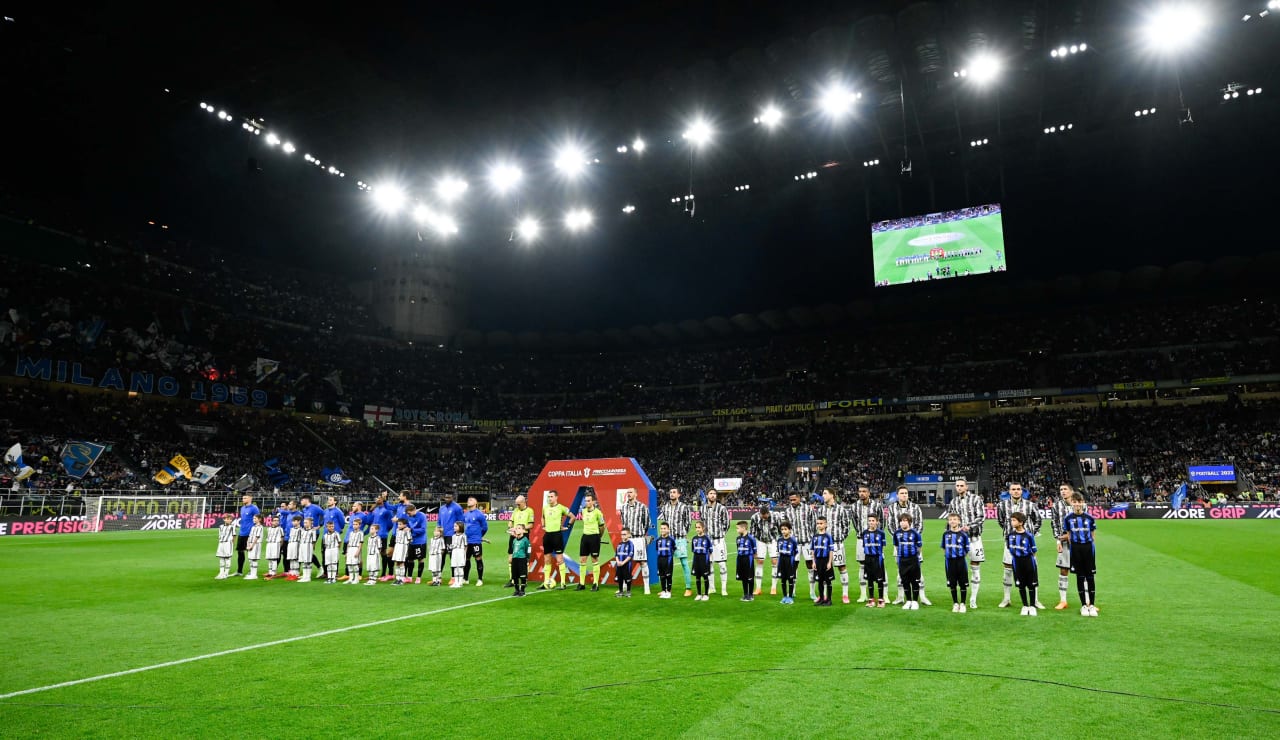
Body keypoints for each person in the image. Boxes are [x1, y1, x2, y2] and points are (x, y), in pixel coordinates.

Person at [997, 483, 1043, 609]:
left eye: (1018, 489)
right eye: (1013, 489)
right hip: (1010, 542)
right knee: (1008, 568)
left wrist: (1030, 533)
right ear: (1009, 491)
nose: (1016, 491)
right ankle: (1006, 598)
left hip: (1027, 544)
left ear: (1022, 491)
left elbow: (1038, 520)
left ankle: (1035, 600)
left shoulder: (1030, 505)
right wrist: (1010, 533)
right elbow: (1001, 521)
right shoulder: (1002, 505)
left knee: (1032, 570)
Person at [886, 487, 930, 606]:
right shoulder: (891, 508)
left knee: (918, 571)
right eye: (902, 493)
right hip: (899, 545)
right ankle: (901, 596)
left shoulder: (915, 507)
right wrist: (899, 537)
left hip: (913, 545)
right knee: (900, 571)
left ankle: (922, 596)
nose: (904, 495)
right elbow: (889, 525)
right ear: (897, 495)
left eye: (906, 493)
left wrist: (913, 538)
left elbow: (920, 524)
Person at [945, 479, 985, 609]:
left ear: (966, 487)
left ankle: (973, 598)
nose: (960, 487)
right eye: (957, 486)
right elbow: (949, 519)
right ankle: (959, 600)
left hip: (974, 537)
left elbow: (981, 516)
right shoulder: (953, 501)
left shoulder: (976, 499)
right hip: (957, 540)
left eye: (962, 485)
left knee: (975, 566)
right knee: (958, 567)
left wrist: (968, 526)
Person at [1063, 495, 1099, 617]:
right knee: (1080, 576)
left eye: (1079, 502)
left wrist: (1089, 546)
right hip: (1076, 548)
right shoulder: (1068, 518)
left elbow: (1093, 535)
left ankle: (1092, 605)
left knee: (1090, 576)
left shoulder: (1089, 518)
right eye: (1074, 502)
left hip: (1088, 548)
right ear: (1071, 503)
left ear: (1083, 502)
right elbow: (1068, 535)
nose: (1077, 504)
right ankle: (1083, 605)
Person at [819, 488, 854, 604]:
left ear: (832, 495)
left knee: (841, 567)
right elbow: (818, 526)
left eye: (825, 493)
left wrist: (840, 538)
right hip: (824, 545)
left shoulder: (841, 509)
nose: (823, 495)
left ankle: (845, 595)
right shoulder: (821, 509)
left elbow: (846, 526)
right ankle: (823, 595)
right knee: (824, 569)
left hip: (837, 543)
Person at [782, 493, 817, 602]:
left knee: (810, 566)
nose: (792, 502)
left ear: (799, 498)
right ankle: (792, 591)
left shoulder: (808, 509)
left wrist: (812, 538)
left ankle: (812, 592)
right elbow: (785, 527)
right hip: (794, 543)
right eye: (790, 500)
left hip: (807, 542)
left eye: (794, 499)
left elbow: (814, 523)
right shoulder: (787, 511)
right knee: (793, 566)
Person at [851, 485, 883, 603]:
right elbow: (854, 522)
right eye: (860, 491)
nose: (861, 493)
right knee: (862, 565)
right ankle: (863, 594)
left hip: (875, 540)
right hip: (861, 539)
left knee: (879, 565)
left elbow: (882, 522)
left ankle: (882, 594)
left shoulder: (877, 505)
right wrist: (861, 534)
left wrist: (878, 535)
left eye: (864, 491)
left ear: (869, 493)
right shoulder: (854, 507)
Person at [660, 488, 693, 597]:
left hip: (679, 539)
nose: (672, 494)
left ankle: (688, 588)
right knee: (666, 564)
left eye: (674, 492)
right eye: (670, 492)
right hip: (668, 539)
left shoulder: (684, 507)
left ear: (679, 494)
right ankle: (666, 589)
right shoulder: (665, 507)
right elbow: (664, 521)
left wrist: (683, 533)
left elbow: (688, 522)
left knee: (684, 563)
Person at [541, 490, 575, 590]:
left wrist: (567, 526)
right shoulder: (545, 508)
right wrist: (543, 526)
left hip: (557, 535)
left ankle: (563, 583)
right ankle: (546, 582)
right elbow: (542, 517)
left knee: (559, 559)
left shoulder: (561, 508)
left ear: (556, 497)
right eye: (548, 496)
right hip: (547, 535)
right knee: (547, 559)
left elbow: (572, 517)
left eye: (551, 496)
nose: (549, 498)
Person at [620, 488, 652, 594]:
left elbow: (647, 523)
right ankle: (624, 585)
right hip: (627, 539)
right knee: (624, 562)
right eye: (627, 492)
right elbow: (623, 522)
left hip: (638, 538)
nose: (628, 494)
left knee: (642, 561)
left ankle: (646, 587)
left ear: (636, 494)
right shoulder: (623, 507)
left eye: (631, 492)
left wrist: (641, 534)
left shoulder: (642, 507)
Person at [699, 490, 730, 596]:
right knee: (709, 565)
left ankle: (724, 588)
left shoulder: (722, 508)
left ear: (716, 496)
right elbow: (701, 523)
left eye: (714, 494)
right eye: (710, 493)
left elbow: (727, 523)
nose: (712, 495)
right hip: (707, 541)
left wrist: (721, 534)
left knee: (722, 564)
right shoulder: (702, 508)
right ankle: (712, 588)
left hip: (719, 540)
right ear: (707, 495)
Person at [1007, 512, 1039, 616]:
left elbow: (1034, 550)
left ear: (1021, 522)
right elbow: (1009, 548)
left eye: (1014, 520)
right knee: (1021, 585)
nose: (1012, 522)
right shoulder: (1010, 535)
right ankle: (1025, 605)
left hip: (1028, 562)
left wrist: (1034, 561)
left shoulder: (1029, 535)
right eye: (1011, 520)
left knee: (1031, 585)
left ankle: (1032, 606)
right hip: (1016, 562)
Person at [1050, 483, 1076, 610]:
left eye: (1065, 489)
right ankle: (1063, 600)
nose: (1063, 491)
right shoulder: (1056, 506)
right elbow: (1054, 524)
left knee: (1084, 571)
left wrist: (1071, 535)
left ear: (1071, 491)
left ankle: (1088, 601)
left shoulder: (1080, 504)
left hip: (1079, 543)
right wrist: (1058, 540)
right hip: (1063, 542)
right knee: (1063, 570)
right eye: (1061, 490)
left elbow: (1087, 522)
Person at [576, 494, 607, 592]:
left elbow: (602, 526)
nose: (587, 503)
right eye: (586, 501)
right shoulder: (583, 511)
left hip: (594, 537)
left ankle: (596, 584)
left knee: (594, 559)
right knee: (582, 559)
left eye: (589, 501)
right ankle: (581, 584)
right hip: (585, 537)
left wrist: (598, 536)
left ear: (593, 502)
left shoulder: (598, 513)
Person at [941, 513, 972, 613]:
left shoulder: (963, 534)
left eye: (955, 519)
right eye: (950, 519)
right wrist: (948, 556)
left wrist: (960, 556)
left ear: (959, 521)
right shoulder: (945, 534)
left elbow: (967, 549)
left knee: (963, 583)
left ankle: (962, 603)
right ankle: (955, 603)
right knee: (952, 583)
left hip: (960, 561)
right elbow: (943, 547)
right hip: (949, 562)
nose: (952, 521)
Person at [748, 503, 780, 596]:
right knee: (759, 562)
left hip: (773, 540)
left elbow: (780, 529)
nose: (763, 518)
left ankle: (773, 588)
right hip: (760, 541)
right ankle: (758, 588)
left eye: (765, 516)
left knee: (774, 562)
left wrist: (781, 542)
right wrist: (753, 546)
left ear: (768, 513)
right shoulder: (755, 517)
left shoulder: (775, 516)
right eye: (762, 516)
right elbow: (752, 532)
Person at [893, 514, 922, 611]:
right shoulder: (896, 533)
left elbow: (919, 547)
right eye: (901, 521)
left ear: (909, 522)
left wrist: (914, 555)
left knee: (915, 581)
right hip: (902, 560)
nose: (903, 522)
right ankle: (908, 600)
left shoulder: (915, 533)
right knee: (905, 581)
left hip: (913, 560)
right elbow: (896, 546)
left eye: (905, 521)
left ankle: (915, 601)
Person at [506, 495, 535, 588]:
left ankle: (524, 579)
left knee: (523, 559)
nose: (517, 506)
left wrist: (520, 529)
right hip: (513, 536)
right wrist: (511, 527)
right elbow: (510, 521)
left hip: (524, 536)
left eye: (518, 504)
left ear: (523, 502)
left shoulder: (530, 511)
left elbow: (531, 525)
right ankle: (512, 580)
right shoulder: (515, 510)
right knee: (511, 558)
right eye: (516, 504)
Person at [462, 497, 489, 586]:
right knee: (466, 559)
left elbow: (485, 527)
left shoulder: (479, 514)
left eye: (471, 500)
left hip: (476, 541)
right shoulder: (465, 514)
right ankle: (465, 578)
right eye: (468, 500)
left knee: (478, 558)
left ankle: (480, 579)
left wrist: (479, 536)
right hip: (466, 541)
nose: (469, 500)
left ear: (476, 502)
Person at [861, 514, 887, 608]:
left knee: (880, 580)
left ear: (877, 522)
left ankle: (881, 599)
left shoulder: (881, 533)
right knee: (869, 579)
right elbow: (864, 545)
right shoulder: (864, 533)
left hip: (877, 558)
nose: (871, 522)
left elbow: (882, 546)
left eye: (873, 520)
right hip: (867, 558)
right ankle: (871, 599)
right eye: (870, 520)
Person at [371, 495, 396, 581]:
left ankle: (384, 573)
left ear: (382, 499)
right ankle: (374, 573)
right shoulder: (376, 509)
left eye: (379, 498)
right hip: (374, 535)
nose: (377, 499)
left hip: (382, 535)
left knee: (383, 554)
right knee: (375, 554)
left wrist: (385, 530)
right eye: (377, 498)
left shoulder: (387, 511)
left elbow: (391, 523)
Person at [234, 494, 260, 577]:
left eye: (245, 498)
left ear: (250, 498)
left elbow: (258, 518)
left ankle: (251, 571)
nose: (243, 499)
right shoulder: (242, 508)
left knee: (250, 552)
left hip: (250, 533)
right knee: (240, 552)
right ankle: (239, 571)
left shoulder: (254, 508)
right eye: (242, 498)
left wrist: (254, 530)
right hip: (242, 532)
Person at [812, 517, 835, 607]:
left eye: (821, 523)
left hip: (826, 561)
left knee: (828, 581)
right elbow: (812, 550)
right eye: (817, 523)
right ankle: (821, 598)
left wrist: (829, 562)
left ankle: (829, 599)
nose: (819, 525)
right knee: (820, 581)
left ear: (825, 524)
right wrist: (813, 562)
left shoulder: (828, 536)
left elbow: (831, 550)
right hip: (818, 561)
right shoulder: (815, 537)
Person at [298, 496, 325, 569]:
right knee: (305, 550)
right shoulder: (304, 509)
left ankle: (319, 568)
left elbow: (324, 514)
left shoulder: (315, 507)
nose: (301, 502)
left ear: (307, 500)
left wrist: (320, 525)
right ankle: (308, 569)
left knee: (309, 551)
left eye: (302, 500)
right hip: (306, 532)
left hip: (314, 532)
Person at [405, 503, 429, 584]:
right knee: (410, 559)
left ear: (414, 510)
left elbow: (423, 529)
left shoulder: (422, 516)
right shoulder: (409, 517)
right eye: (407, 513)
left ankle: (419, 577)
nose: (408, 515)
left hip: (420, 541)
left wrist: (412, 530)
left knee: (420, 559)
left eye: (409, 513)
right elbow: (407, 526)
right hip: (412, 541)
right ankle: (410, 577)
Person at [436, 492, 465, 556]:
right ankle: (440, 566)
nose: (447, 499)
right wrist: (438, 530)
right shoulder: (441, 508)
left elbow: (461, 521)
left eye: (449, 497)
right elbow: (439, 521)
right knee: (441, 555)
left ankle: (455, 566)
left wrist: (458, 533)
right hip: (442, 535)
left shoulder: (457, 507)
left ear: (452, 498)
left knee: (452, 555)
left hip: (452, 535)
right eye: (446, 497)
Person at [777, 523, 798, 605]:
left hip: (790, 561)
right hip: (781, 561)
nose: (783, 531)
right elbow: (778, 550)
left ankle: (790, 597)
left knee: (790, 579)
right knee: (782, 579)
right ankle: (784, 596)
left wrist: (790, 558)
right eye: (782, 529)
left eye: (785, 529)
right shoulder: (779, 540)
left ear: (789, 530)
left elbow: (796, 551)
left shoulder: (793, 540)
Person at [735, 521, 756, 601]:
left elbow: (754, 551)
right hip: (740, 559)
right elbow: (738, 549)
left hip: (748, 559)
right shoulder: (738, 538)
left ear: (743, 528)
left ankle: (751, 594)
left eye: (738, 528)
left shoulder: (751, 538)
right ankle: (745, 594)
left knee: (750, 576)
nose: (737, 530)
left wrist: (751, 557)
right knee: (743, 577)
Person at [691, 521, 712, 601]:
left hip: (704, 560)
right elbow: (693, 549)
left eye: (699, 527)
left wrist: (708, 560)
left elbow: (710, 550)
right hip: (696, 559)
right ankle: (699, 594)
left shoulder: (707, 538)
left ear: (703, 528)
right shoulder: (694, 538)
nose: (697, 529)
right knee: (697, 576)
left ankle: (706, 594)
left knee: (705, 576)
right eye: (696, 527)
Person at [654, 523, 676, 599]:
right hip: (660, 560)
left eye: (664, 528)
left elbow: (674, 548)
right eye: (661, 528)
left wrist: (670, 555)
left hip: (668, 560)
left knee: (668, 576)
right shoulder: (658, 540)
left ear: (668, 530)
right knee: (662, 576)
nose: (663, 530)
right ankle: (663, 590)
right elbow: (657, 549)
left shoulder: (671, 539)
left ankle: (669, 592)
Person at [509, 524, 531, 597]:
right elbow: (513, 549)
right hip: (515, 559)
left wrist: (527, 558)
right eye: (516, 528)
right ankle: (516, 590)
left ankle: (522, 590)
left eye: (519, 528)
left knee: (522, 575)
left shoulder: (525, 540)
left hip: (522, 559)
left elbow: (528, 549)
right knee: (514, 575)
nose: (517, 529)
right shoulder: (514, 540)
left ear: (523, 530)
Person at [614, 528, 635, 598]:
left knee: (628, 578)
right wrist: (618, 562)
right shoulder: (619, 544)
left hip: (627, 565)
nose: (623, 536)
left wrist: (623, 562)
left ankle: (628, 591)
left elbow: (630, 555)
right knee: (620, 578)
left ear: (629, 535)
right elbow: (616, 554)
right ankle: (621, 591)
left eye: (624, 534)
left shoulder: (630, 544)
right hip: (619, 564)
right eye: (622, 534)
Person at [296, 517, 318, 583]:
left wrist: (312, 548)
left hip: (308, 546)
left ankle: (308, 577)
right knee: (304, 561)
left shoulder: (313, 531)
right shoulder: (302, 530)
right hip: (302, 546)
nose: (305, 524)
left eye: (306, 522)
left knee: (308, 562)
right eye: (304, 522)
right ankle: (304, 576)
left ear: (310, 523)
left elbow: (314, 541)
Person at [390, 518, 411, 586]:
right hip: (397, 547)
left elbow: (410, 539)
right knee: (397, 562)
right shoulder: (397, 530)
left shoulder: (407, 530)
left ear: (405, 525)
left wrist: (406, 545)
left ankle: (401, 579)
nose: (399, 525)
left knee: (401, 563)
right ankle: (397, 578)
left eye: (400, 524)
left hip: (402, 547)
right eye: (398, 524)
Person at [215, 513, 235, 580]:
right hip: (221, 543)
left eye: (230, 519)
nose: (228, 520)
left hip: (228, 544)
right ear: (224, 519)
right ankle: (221, 573)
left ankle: (226, 573)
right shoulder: (221, 526)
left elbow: (234, 535)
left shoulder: (232, 527)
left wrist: (232, 543)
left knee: (227, 558)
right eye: (227, 519)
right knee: (221, 558)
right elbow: (219, 535)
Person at [244, 514, 264, 580]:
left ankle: (254, 575)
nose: (254, 520)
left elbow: (257, 537)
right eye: (253, 518)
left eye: (255, 518)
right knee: (250, 559)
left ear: (259, 519)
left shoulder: (260, 527)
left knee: (254, 559)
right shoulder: (253, 527)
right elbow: (249, 536)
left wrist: (252, 546)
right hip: (250, 544)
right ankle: (251, 573)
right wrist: (248, 545)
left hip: (256, 544)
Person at [346, 517, 364, 586]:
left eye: (356, 524)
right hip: (350, 549)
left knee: (355, 564)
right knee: (349, 564)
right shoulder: (351, 533)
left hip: (356, 549)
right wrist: (347, 551)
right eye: (353, 524)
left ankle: (356, 579)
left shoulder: (360, 533)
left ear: (359, 525)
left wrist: (358, 551)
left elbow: (361, 543)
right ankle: (350, 578)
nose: (354, 526)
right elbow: (349, 542)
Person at [264, 515, 284, 580]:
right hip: (269, 544)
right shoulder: (269, 529)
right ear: (272, 522)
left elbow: (282, 538)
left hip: (276, 544)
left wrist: (280, 546)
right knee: (269, 558)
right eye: (274, 521)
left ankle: (274, 572)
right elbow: (268, 536)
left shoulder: (280, 529)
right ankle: (270, 572)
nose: (276, 522)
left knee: (274, 559)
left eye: (277, 521)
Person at [450, 521, 468, 588]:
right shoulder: (453, 536)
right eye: (454, 526)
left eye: (456, 526)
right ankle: (456, 582)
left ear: (460, 527)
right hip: (454, 552)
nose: (454, 527)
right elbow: (453, 544)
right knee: (455, 567)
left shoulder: (463, 536)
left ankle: (460, 582)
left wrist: (464, 554)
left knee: (460, 567)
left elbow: (465, 546)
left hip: (460, 552)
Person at [285, 514, 303, 580]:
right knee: (291, 558)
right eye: (293, 521)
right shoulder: (292, 529)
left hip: (296, 544)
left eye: (295, 521)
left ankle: (296, 573)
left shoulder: (301, 529)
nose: (293, 522)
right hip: (291, 544)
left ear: (299, 521)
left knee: (296, 559)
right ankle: (292, 572)